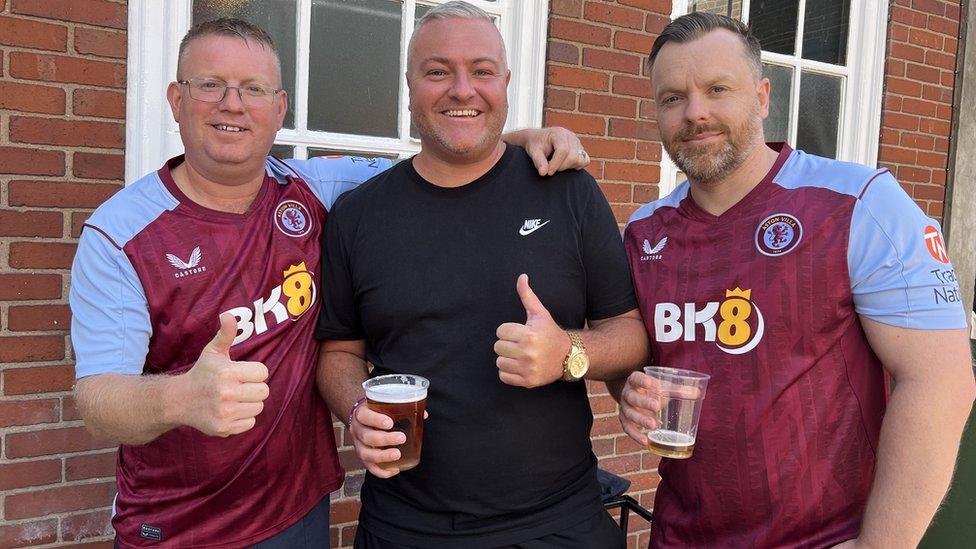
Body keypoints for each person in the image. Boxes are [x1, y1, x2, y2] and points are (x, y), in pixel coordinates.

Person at [69, 17, 588, 548]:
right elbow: (98, 401)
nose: (232, 103)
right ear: (177, 100)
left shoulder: (319, 187)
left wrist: (525, 140)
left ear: (279, 108)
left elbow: (443, 157)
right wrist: (178, 399)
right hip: (178, 524)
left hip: (299, 513)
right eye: (209, 85)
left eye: (253, 89)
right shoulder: (120, 234)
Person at [614, 12, 976, 549]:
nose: (696, 113)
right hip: (679, 536)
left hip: (824, 538)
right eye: (672, 98)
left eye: (718, 89)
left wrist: (881, 545)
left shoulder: (860, 204)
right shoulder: (644, 233)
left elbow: (941, 381)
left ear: (762, 97)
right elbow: (638, 364)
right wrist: (630, 394)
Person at [315, 2, 650, 548]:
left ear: (506, 82)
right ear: (409, 86)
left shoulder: (566, 191)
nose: (463, 89)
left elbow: (630, 334)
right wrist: (357, 410)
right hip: (405, 526)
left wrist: (567, 352)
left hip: (557, 521)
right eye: (438, 71)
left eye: (483, 70)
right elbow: (338, 355)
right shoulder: (357, 215)